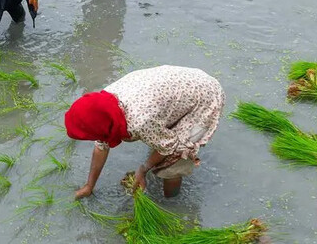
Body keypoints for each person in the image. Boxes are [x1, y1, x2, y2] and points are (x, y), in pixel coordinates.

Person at [64, 65, 225, 198]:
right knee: (158, 138)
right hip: (181, 87)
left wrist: (143, 169)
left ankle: (171, 203)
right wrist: (89, 186)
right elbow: (101, 145)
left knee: (171, 165)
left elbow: (168, 147)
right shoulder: (104, 104)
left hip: (204, 98)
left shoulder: (140, 121)